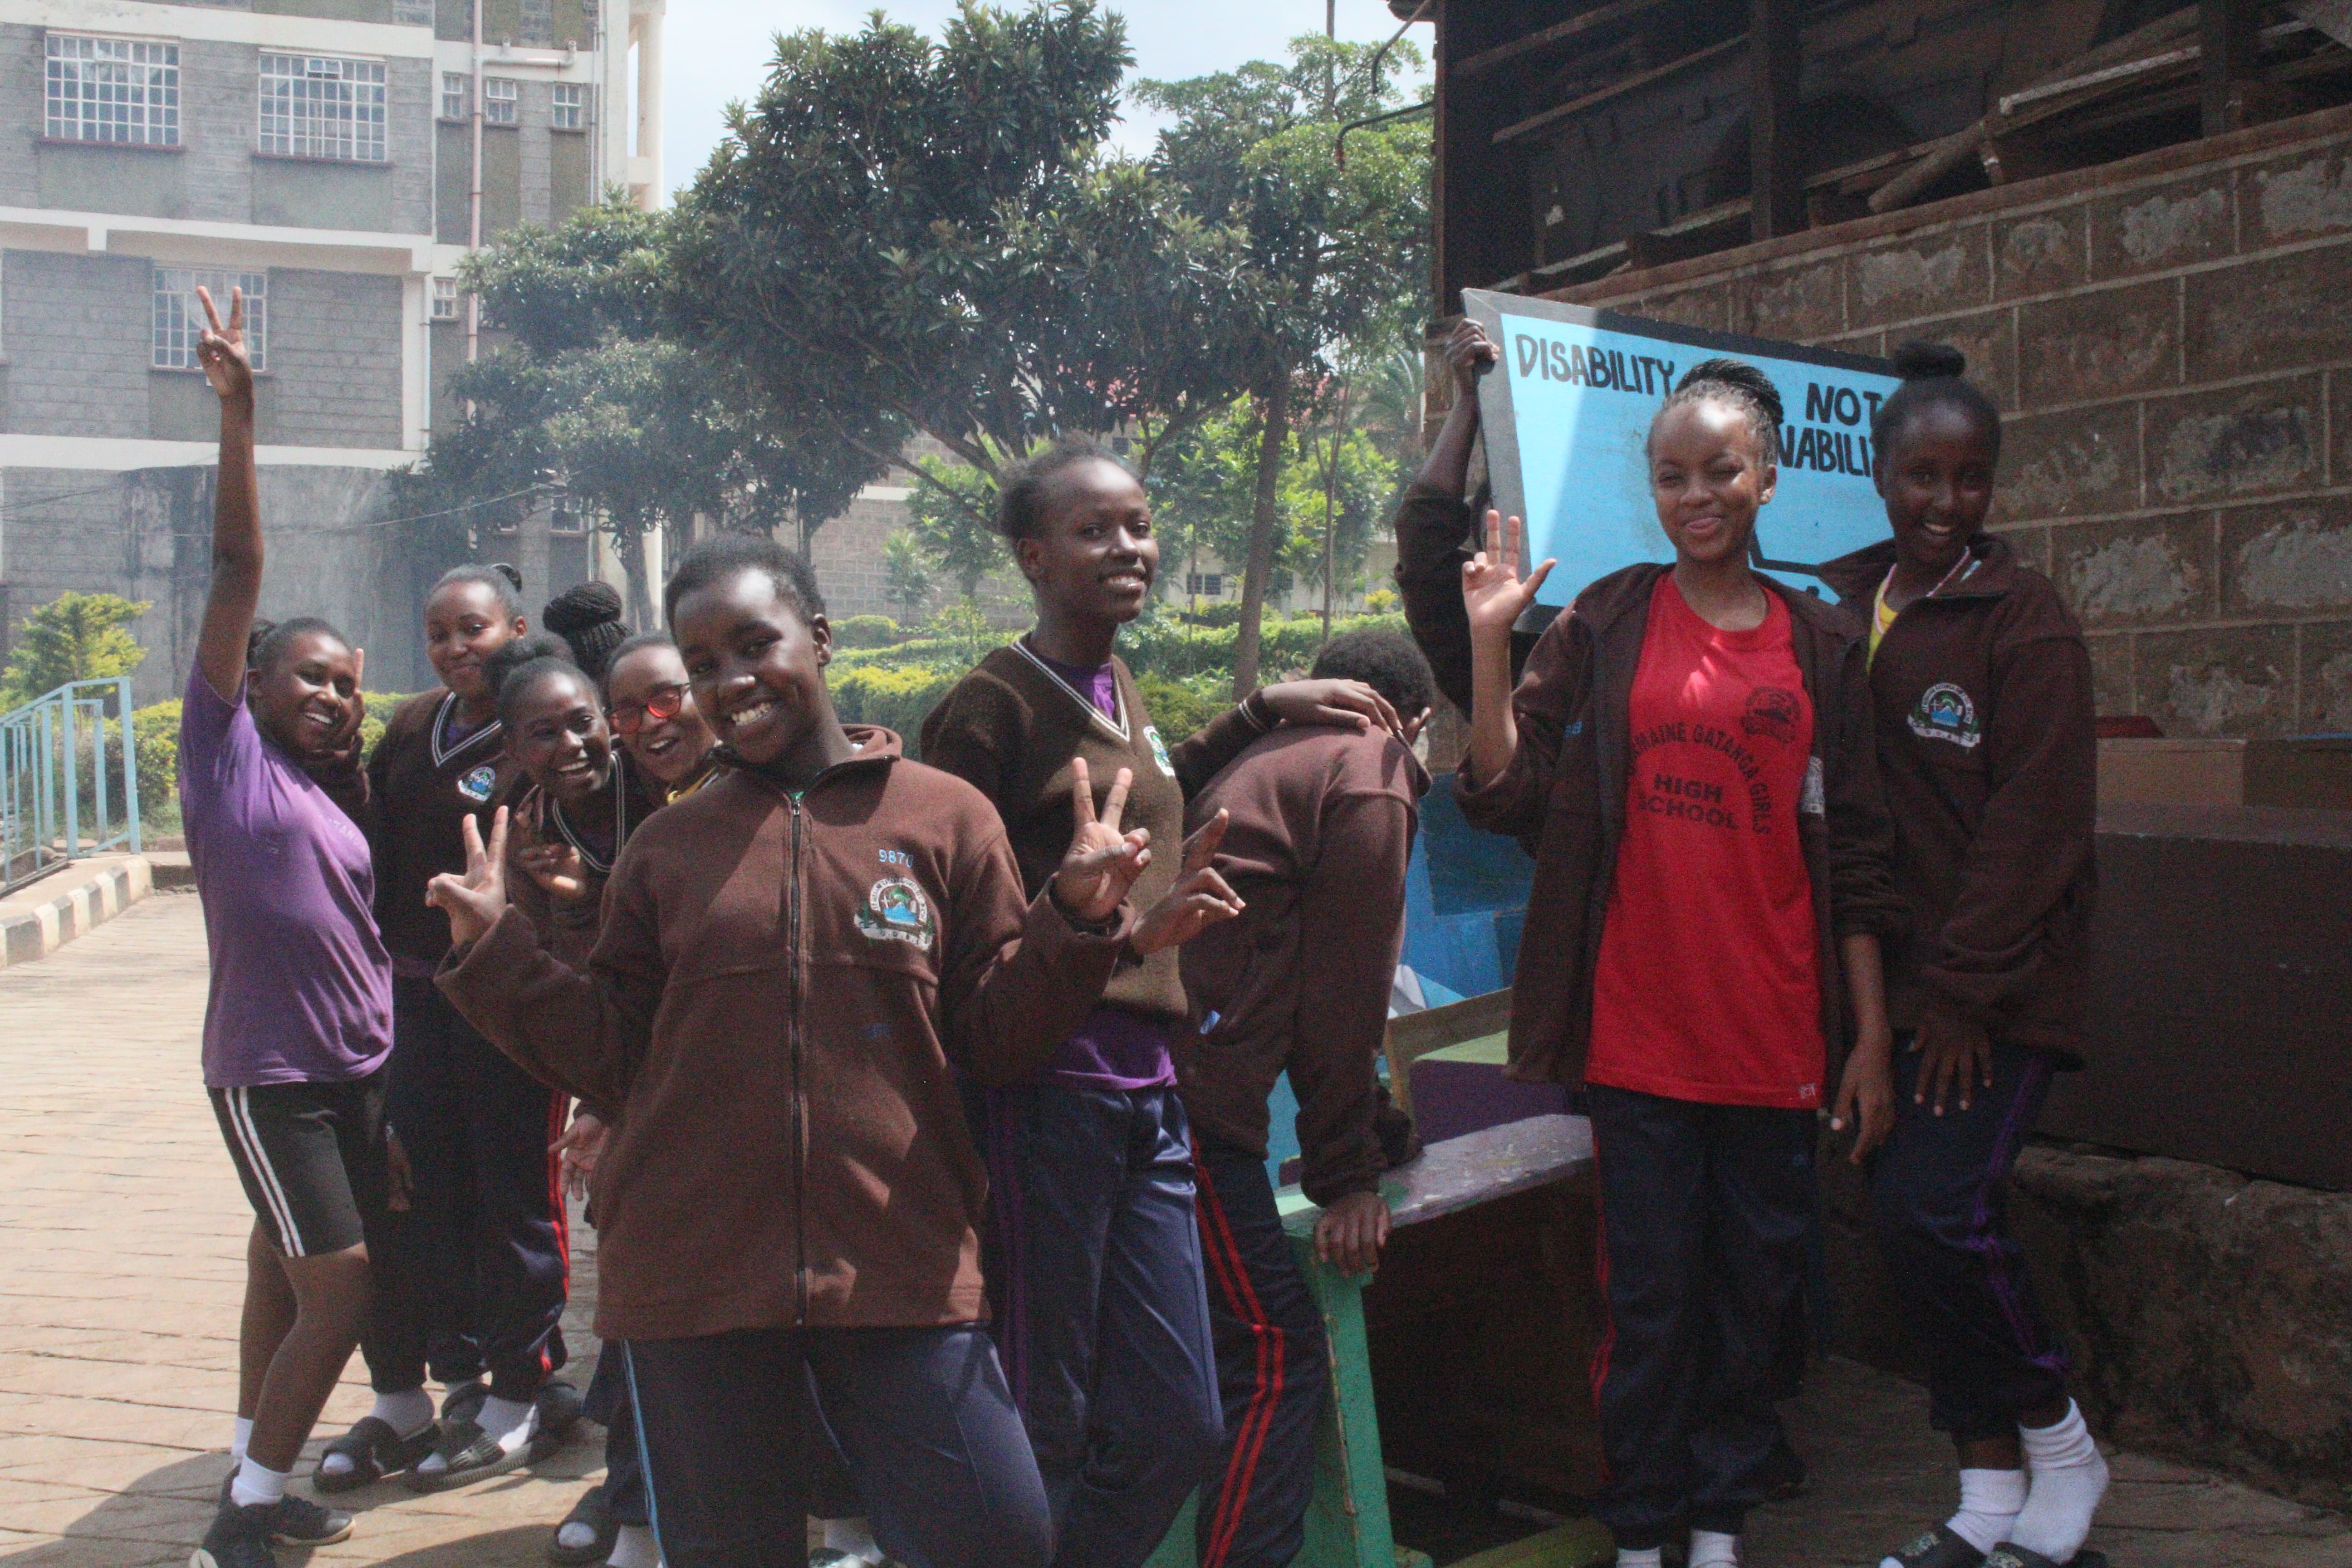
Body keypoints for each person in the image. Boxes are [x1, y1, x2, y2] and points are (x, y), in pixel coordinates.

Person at [425, 533, 1162, 1568]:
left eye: (752, 645)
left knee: (999, 1536)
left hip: (900, 1263)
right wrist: (497, 951)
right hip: (696, 1280)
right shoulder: (667, 853)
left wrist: (1074, 924)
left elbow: (997, 1038)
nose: (730, 682)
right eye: (703, 664)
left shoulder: (944, 817)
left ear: (817, 639)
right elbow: (610, 1055)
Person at [919, 436, 1406, 1568]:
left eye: (1139, 525)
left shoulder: (1115, 686)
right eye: (1095, 531)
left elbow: (1140, 785)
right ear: (1034, 556)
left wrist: (1258, 709)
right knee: (1048, 1417)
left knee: (1182, 1418)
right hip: (1049, 1093)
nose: (1128, 548)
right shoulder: (988, 710)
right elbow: (954, 914)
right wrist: (1106, 934)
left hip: (1152, 1090)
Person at [1455, 360, 1907, 1568]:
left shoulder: (1819, 644)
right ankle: (1647, 1529)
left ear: (1767, 478)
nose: (1695, 493)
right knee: (1650, 1303)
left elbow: (1855, 853)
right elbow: (1505, 788)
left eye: (1719, 470)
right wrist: (1493, 647)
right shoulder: (1606, 620)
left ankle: (1718, 1524)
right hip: (1640, 1035)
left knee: (1755, 1295)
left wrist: (1865, 1038)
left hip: (1773, 1032)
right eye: (1670, 474)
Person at [1815, 344, 2106, 1568]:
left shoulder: (2025, 622)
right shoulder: (1842, 613)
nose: (1947, 502)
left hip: (1995, 995)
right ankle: (1987, 1496)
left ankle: (2059, 1434)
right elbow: (1852, 824)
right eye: (1923, 476)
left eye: (1972, 479)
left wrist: (1966, 993)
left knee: (1943, 1209)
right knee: (1900, 1215)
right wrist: (1881, 1007)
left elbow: (2034, 824)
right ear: (1881, 479)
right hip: (1892, 993)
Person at [180, 283, 390, 1568]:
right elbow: (238, 566)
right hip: (272, 1077)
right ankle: (247, 1511)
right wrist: (241, 413)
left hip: (357, 1072)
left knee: (283, 1268)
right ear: (252, 684)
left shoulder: (331, 796)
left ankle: (256, 1475)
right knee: (344, 1285)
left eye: (350, 686)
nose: (331, 694)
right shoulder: (225, 759)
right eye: (310, 675)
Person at [1174, 628, 1438, 1568]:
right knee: (1275, 1351)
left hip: (1172, 1084)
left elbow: (1285, 968)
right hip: (1188, 1105)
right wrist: (1348, 1178)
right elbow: (1343, 996)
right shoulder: (1372, 767)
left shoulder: (1263, 758)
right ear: (1418, 719)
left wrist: (1366, 1131)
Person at [321, 562, 578, 1493]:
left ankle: (526, 1385)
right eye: (439, 632)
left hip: (504, 995)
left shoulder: (539, 730)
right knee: (423, 1185)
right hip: (414, 993)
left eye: (473, 628)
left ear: (514, 627)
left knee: (513, 1187)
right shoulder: (411, 725)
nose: (455, 647)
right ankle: (450, 1377)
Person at [548, 628, 718, 1568]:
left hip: (743, 1117)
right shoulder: (647, 818)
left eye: (668, 699)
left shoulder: (747, 801)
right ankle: (637, 1515)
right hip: (667, 1119)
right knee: (646, 1338)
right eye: (628, 712)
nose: (651, 725)